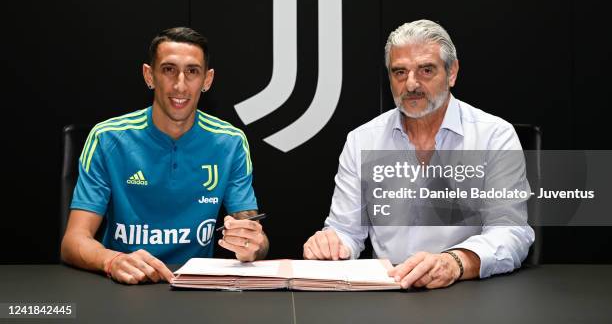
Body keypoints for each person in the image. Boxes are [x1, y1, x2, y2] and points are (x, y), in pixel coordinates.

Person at [303, 19, 534, 289]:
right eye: (399, 72)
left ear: (452, 72)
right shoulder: (361, 140)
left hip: (466, 290)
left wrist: (455, 263)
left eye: (426, 70)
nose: (411, 84)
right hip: (388, 295)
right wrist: (330, 243)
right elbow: (346, 231)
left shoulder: (494, 136)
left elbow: (511, 231)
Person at [61, 27, 269, 284]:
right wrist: (112, 260)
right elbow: (73, 241)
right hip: (124, 284)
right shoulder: (106, 138)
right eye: (169, 69)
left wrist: (253, 245)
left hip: (194, 287)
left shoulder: (230, 142)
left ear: (207, 80)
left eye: (192, 71)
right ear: (149, 75)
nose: (180, 85)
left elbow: (252, 233)